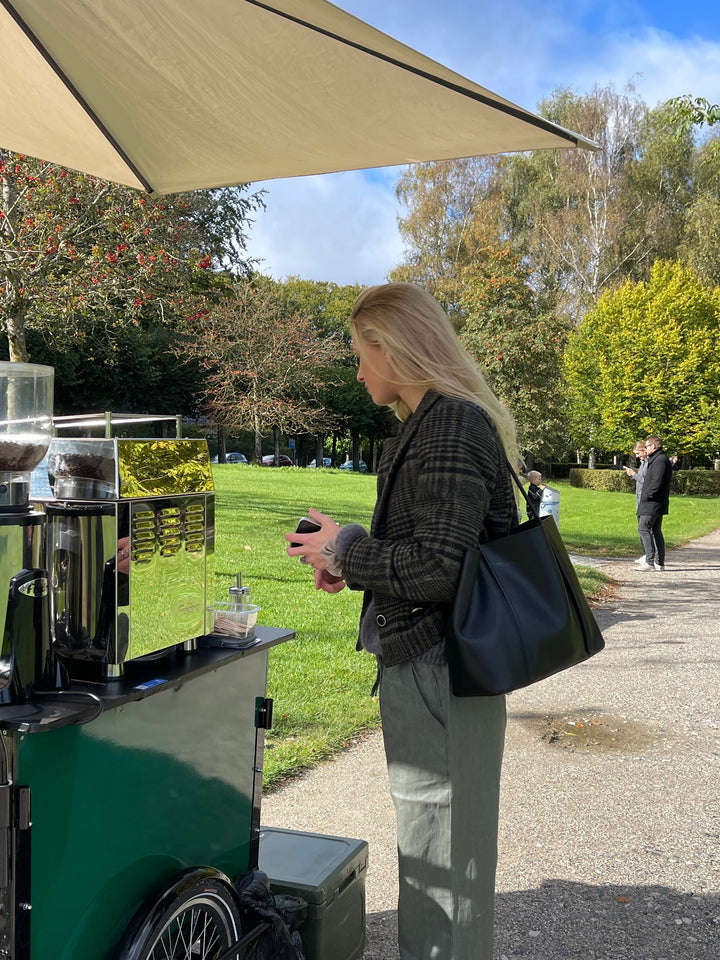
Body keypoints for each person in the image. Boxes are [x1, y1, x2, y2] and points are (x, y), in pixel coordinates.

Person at [285, 282, 519, 960]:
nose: (358, 372)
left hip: (438, 667)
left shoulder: (449, 424)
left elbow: (441, 568)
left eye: (361, 355)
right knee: (437, 846)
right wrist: (348, 556)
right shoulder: (436, 420)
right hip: (434, 666)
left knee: (443, 855)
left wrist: (347, 550)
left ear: (393, 348)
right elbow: (433, 546)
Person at [634, 435, 673, 571]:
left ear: (654, 446)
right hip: (656, 502)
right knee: (655, 530)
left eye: (647, 446)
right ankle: (659, 563)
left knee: (643, 528)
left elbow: (656, 482)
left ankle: (649, 562)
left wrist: (646, 496)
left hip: (652, 502)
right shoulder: (658, 459)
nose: (645, 449)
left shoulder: (660, 460)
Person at [623, 442, 648, 564]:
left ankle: (649, 556)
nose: (637, 456)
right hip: (639, 498)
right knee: (641, 528)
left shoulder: (648, 464)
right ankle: (646, 554)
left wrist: (633, 474)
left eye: (638, 453)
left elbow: (645, 481)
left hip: (644, 499)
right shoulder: (644, 463)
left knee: (644, 528)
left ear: (644, 450)